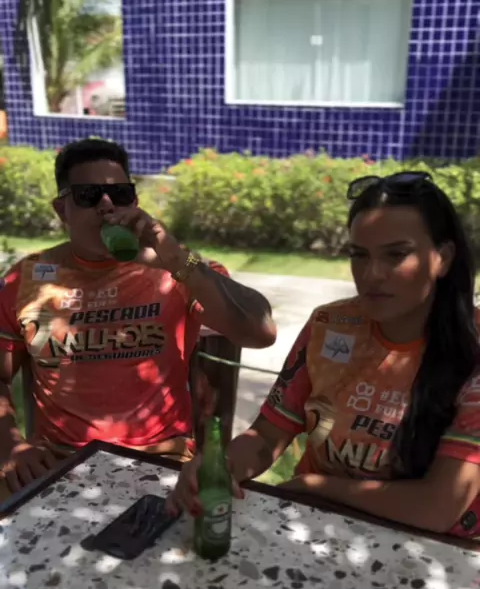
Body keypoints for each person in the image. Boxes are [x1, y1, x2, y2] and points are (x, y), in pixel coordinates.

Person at [169, 172, 480, 540]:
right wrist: (221, 466)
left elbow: (438, 507)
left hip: (432, 548)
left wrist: (315, 486)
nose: (372, 274)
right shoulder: (330, 325)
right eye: (359, 255)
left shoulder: (472, 348)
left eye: (396, 254)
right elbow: (267, 436)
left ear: (443, 258)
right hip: (315, 527)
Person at [0, 138, 276, 494]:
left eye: (120, 194)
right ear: (61, 209)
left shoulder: (177, 268)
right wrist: (10, 446)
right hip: (58, 461)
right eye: (88, 195)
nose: (106, 205)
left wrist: (174, 260)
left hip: (160, 458)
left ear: (135, 202)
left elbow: (260, 332)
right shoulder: (25, 279)